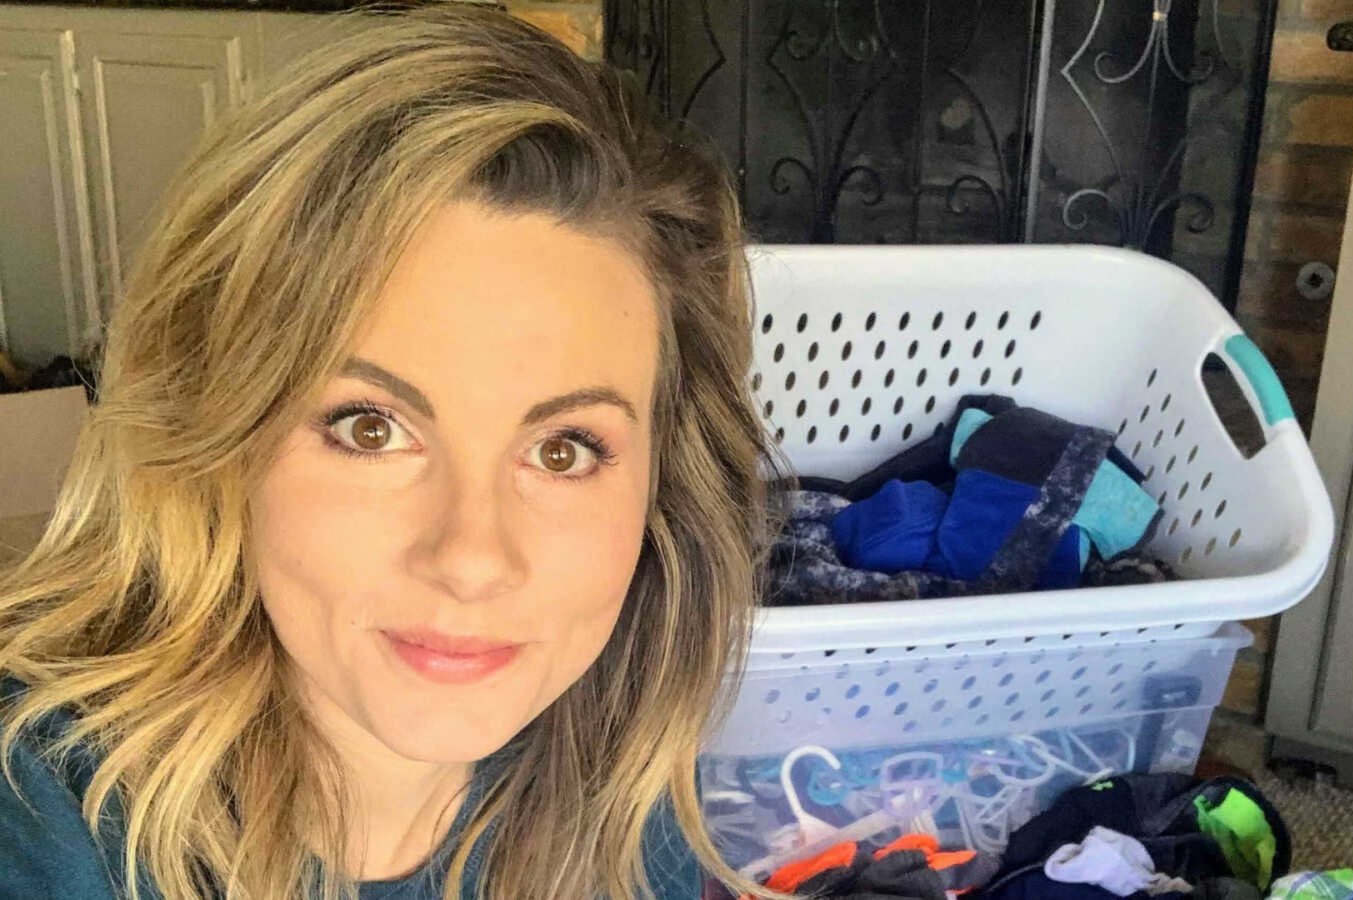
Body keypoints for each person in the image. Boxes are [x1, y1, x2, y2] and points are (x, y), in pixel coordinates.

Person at [0, 6, 774, 898]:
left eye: (564, 450)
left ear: (664, 488)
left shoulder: (629, 777)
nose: (472, 559)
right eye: (369, 429)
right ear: (217, 432)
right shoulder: (42, 815)